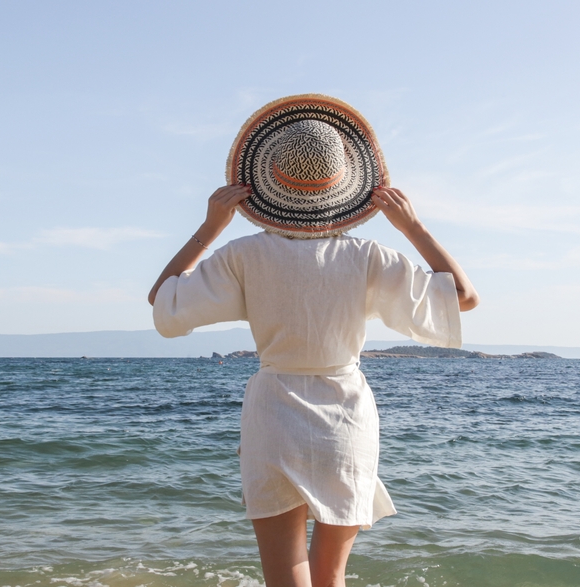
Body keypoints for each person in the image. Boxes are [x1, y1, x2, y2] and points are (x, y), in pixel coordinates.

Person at [147, 95, 478, 587]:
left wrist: (211, 226)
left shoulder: (244, 255)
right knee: (331, 578)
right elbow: (464, 298)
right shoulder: (367, 256)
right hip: (344, 413)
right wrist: (413, 226)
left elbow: (163, 302)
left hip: (273, 411)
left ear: (269, 181)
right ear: (344, 186)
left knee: (285, 578)